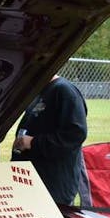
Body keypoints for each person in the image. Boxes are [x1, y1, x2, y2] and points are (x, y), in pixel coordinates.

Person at [12, 75, 88, 205]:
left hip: (53, 187)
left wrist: (33, 143)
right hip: (31, 182)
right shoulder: (41, 91)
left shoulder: (64, 91)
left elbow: (75, 134)